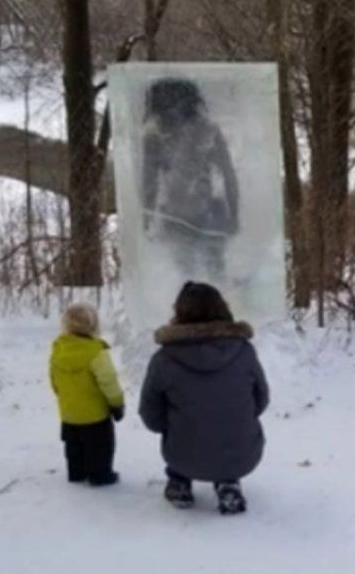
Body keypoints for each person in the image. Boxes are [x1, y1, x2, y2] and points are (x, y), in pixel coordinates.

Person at [138, 282, 269, 515]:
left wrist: (168, 427)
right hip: (242, 453)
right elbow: (261, 399)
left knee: (184, 433)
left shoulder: (164, 358)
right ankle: (228, 481)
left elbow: (150, 412)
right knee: (223, 431)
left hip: (182, 453)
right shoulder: (244, 350)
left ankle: (179, 482)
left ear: (179, 311)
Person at [140, 78, 240, 282]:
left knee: (189, 278)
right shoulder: (207, 129)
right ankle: (217, 308)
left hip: (180, 216)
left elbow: (149, 184)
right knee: (213, 276)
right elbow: (229, 176)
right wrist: (234, 214)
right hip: (208, 214)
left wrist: (146, 220)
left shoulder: (156, 134)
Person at [48, 303, 125, 486]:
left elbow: (53, 378)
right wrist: (117, 403)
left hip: (69, 413)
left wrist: (62, 395)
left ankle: (77, 472)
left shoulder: (59, 349)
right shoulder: (96, 352)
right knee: (100, 447)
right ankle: (100, 475)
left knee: (73, 446)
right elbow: (109, 381)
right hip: (95, 415)